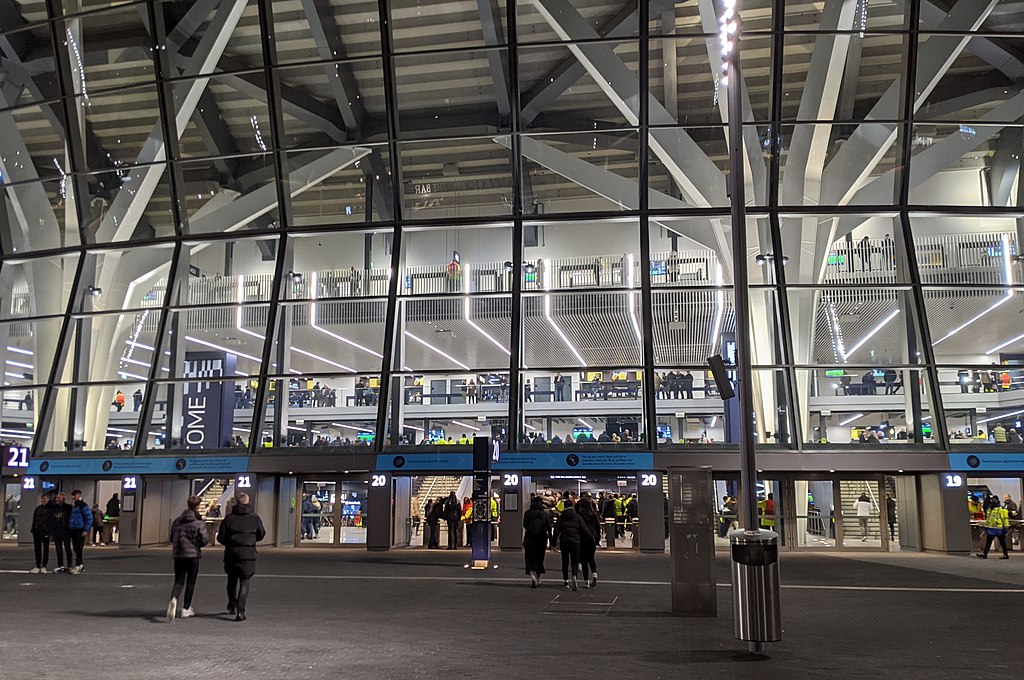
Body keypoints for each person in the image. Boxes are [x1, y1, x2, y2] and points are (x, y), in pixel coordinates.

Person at [216, 493, 266, 621]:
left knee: (231, 582)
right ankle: (240, 611)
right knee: (245, 582)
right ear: (248, 502)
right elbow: (261, 534)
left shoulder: (229, 519)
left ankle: (232, 604)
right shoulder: (255, 518)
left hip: (231, 554)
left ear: (236, 503)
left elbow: (221, 538)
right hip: (248, 555)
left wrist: (231, 542)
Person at [166, 496, 209, 622]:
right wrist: (197, 545)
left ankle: (174, 597)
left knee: (179, 581)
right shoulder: (198, 522)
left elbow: (172, 537)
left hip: (179, 555)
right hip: (193, 555)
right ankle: (186, 608)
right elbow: (205, 539)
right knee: (191, 581)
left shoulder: (177, 521)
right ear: (197, 506)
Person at [552, 498, 593, 591]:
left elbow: (556, 531)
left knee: (565, 561)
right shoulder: (578, 517)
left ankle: (566, 580)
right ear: (573, 506)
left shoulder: (561, 517)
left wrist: (553, 543)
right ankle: (574, 575)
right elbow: (584, 529)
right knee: (574, 561)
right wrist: (592, 538)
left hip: (564, 541)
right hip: (575, 541)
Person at [522, 496, 551, 587]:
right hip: (541, 538)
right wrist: (551, 541)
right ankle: (538, 579)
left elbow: (525, 525)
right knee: (539, 559)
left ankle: (532, 576)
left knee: (529, 558)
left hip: (530, 538)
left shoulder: (527, 513)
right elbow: (548, 528)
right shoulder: (544, 514)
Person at [576, 496, 601, 588]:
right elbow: (598, 527)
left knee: (584, 560)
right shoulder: (593, 515)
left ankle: (586, 581)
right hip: (592, 538)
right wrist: (597, 538)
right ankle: (594, 574)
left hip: (582, 538)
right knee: (591, 558)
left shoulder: (579, 515)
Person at [68, 490, 93, 574]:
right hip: (73, 529)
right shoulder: (74, 505)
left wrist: (85, 529)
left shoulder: (83, 506)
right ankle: (80, 565)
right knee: (76, 547)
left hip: (80, 529)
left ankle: (79, 565)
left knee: (79, 548)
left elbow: (89, 518)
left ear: (79, 495)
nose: (73, 497)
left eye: (74, 495)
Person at [49, 492, 73, 573]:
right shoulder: (53, 508)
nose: (57, 500)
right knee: (58, 549)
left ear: (63, 499)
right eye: (56, 498)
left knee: (67, 548)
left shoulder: (68, 507)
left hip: (66, 531)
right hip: (56, 531)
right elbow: (51, 518)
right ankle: (60, 565)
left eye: (59, 498)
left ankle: (70, 565)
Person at [30, 493, 52, 574]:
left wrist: (49, 531)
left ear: (48, 499)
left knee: (46, 549)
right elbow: (34, 519)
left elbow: (51, 521)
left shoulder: (50, 509)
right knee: (37, 549)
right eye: (42, 499)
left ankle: (44, 566)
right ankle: (37, 565)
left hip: (45, 532)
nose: (42, 500)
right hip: (37, 531)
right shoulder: (38, 508)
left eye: (44, 499)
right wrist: (33, 529)